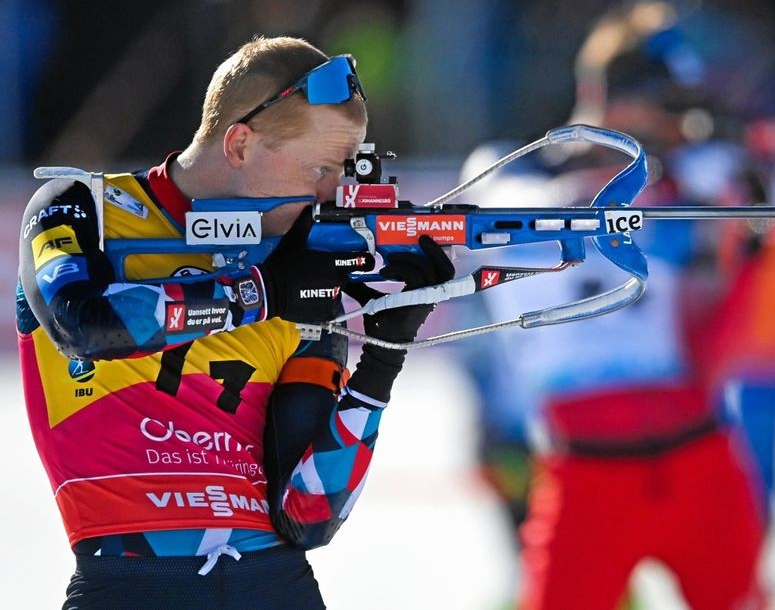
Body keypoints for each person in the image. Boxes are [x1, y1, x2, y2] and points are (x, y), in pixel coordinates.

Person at [17, 36, 454, 609]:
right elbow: (85, 326)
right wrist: (262, 293)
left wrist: (384, 355)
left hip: (273, 585)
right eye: (319, 168)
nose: (330, 194)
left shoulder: (300, 270)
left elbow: (309, 517)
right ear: (241, 143)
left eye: (342, 172)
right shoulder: (83, 209)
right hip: (127, 585)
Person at [472, 0, 768, 610]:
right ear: (609, 98)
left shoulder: (696, 173)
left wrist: (748, 205)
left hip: (699, 455)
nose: (675, 126)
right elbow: (537, 211)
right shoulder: (515, 173)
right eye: (664, 106)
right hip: (586, 470)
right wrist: (656, 189)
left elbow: (726, 283)